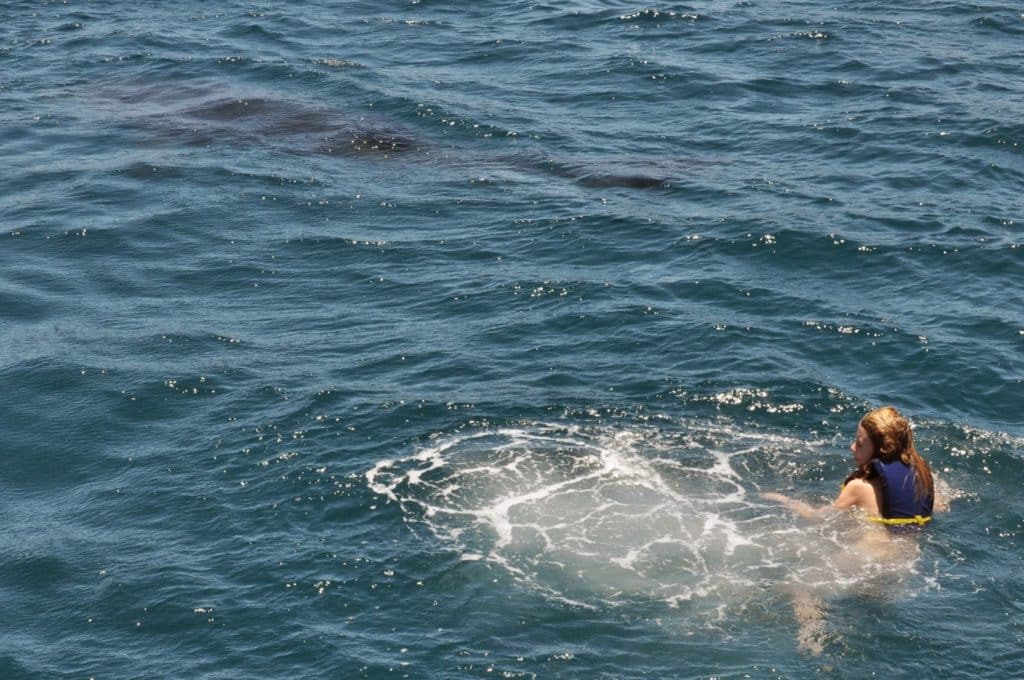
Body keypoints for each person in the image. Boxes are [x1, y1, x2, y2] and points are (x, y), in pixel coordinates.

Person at [763, 405, 935, 527]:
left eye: (860, 444)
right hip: (908, 557)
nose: (852, 447)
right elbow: (939, 505)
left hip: (870, 554)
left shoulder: (859, 487)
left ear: (881, 450)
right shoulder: (922, 476)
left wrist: (784, 500)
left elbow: (819, 516)